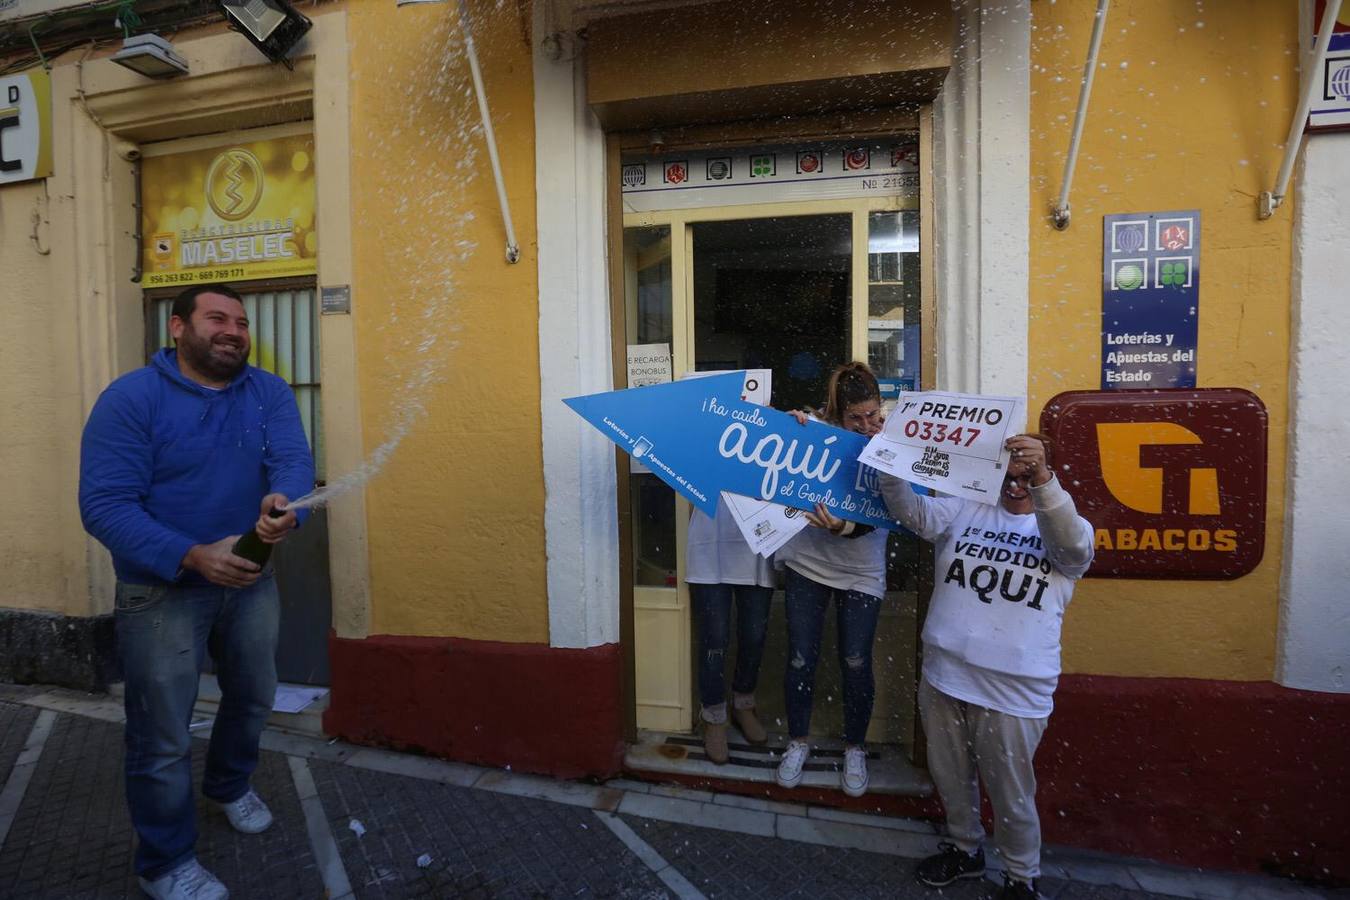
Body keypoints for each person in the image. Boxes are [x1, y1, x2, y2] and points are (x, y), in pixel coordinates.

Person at [79, 283, 315, 900]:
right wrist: (190, 555)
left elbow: (291, 460)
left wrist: (284, 505)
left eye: (240, 320)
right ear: (178, 328)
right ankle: (165, 862)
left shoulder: (267, 391)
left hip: (249, 581)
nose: (233, 330)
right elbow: (104, 506)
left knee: (253, 697)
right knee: (161, 735)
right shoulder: (130, 400)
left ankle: (230, 786)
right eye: (217, 318)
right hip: (160, 591)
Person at [879, 433, 1093, 900]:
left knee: (1012, 793)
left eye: (1026, 475)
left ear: (1044, 473)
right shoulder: (965, 507)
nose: (1014, 485)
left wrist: (1043, 483)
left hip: (1013, 693)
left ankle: (1020, 877)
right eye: (1008, 474)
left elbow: (1074, 554)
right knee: (952, 779)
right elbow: (910, 511)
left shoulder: (1064, 527)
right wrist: (888, 460)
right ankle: (965, 850)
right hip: (945, 678)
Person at [774, 362, 890, 797]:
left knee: (856, 661)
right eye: (854, 419)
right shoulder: (818, 430)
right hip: (807, 563)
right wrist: (789, 429)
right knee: (802, 657)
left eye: (873, 415)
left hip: (862, 569)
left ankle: (855, 747)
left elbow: (887, 512)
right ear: (836, 415)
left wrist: (842, 527)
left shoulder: (892, 440)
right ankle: (797, 741)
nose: (866, 426)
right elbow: (779, 466)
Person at [686, 495, 776, 763]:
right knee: (715, 639)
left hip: (760, 537)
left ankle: (744, 703)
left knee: (754, 635)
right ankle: (713, 715)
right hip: (709, 540)